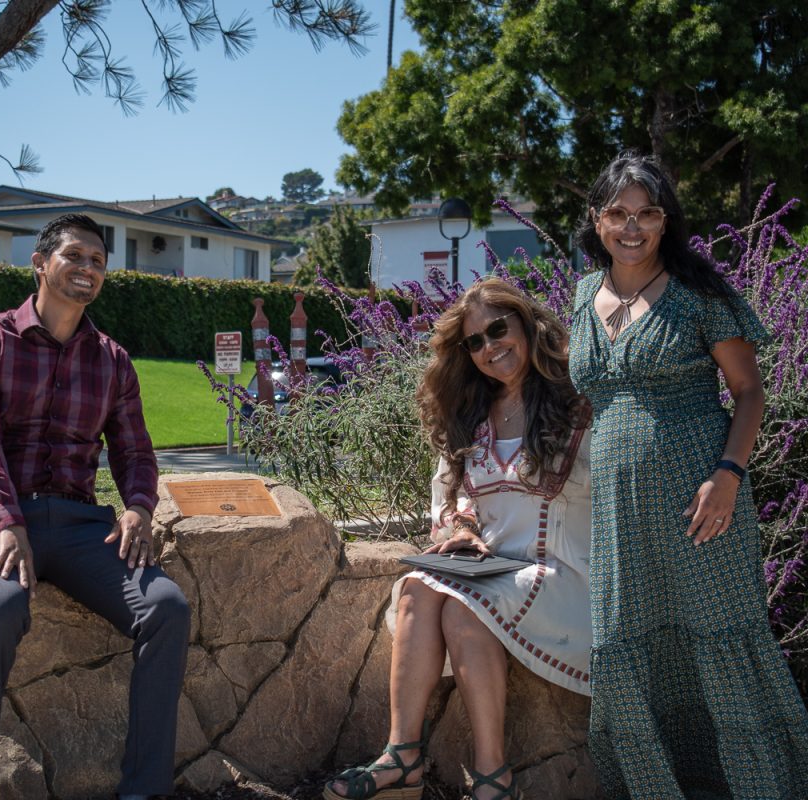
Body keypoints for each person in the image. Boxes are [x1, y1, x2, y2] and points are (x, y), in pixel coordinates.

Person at [568, 151, 808, 798]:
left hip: (699, 500)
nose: (632, 227)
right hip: (619, 509)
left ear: (666, 220)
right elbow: (593, 398)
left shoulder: (701, 292)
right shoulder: (584, 295)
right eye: (618, 212)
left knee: (718, 636)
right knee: (625, 639)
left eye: (647, 213)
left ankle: (760, 787)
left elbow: (751, 393)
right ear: (598, 218)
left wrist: (727, 475)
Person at [0, 213, 190, 800]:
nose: (88, 269)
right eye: (75, 256)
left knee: (166, 607)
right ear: (40, 264)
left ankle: (145, 787)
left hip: (81, 525)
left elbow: (135, 449)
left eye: (98, 261)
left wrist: (137, 507)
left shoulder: (111, 360)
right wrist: (6, 520)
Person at [325, 278, 592, 800]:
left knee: (465, 605)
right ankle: (402, 757)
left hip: (565, 574)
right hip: (495, 572)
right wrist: (463, 528)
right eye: (475, 342)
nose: (490, 347)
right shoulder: (470, 416)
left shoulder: (579, 402)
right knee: (419, 588)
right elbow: (446, 499)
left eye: (498, 329)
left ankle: (492, 777)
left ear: (527, 326)